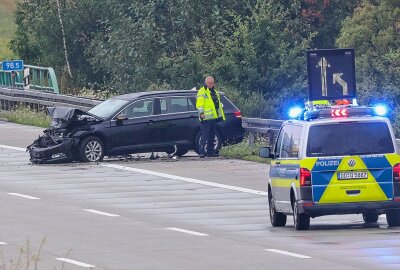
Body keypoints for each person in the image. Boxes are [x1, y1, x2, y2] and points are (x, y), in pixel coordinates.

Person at [196, 76, 225, 158]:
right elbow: (199, 104)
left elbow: (217, 105)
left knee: (212, 135)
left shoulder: (214, 91)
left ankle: (210, 152)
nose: (212, 85)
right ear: (206, 83)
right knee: (204, 135)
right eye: (210, 83)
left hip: (213, 117)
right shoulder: (202, 91)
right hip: (205, 117)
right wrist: (201, 113)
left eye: (213, 83)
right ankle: (201, 152)